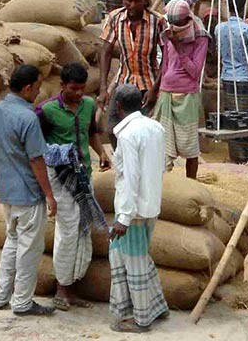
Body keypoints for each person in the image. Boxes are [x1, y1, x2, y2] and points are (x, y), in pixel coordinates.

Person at [0, 65, 57, 317]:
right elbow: (37, 160)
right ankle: (23, 301)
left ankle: (1, 295)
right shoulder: (28, 118)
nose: (38, 92)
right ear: (27, 88)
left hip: (8, 194)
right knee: (29, 249)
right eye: (36, 87)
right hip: (28, 194)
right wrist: (49, 194)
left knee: (12, 242)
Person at [36, 63, 107, 311]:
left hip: (84, 174)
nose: (78, 93)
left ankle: (73, 286)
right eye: (73, 89)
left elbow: (92, 132)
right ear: (62, 86)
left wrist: (102, 153)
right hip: (60, 176)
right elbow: (36, 148)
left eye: (82, 89)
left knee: (83, 228)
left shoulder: (88, 105)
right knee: (67, 229)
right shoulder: (47, 111)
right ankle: (61, 288)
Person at [109, 84, 169, 333]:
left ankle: (141, 319)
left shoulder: (127, 134)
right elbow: (162, 166)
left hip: (132, 211)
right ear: (142, 103)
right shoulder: (156, 127)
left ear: (119, 107)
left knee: (134, 264)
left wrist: (124, 216)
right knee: (136, 258)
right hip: (150, 205)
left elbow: (130, 177)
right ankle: (157, 306)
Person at [99, 0, 166, 143]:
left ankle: (140, 166)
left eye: (137, 1)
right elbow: (106, 52)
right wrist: (103, 88)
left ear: (145, 0)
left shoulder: (157, 21)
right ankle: (124, 165)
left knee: (144, 133)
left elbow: (167, 57)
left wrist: (155, 89)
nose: (133, 5)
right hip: (123, 82)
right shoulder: (115, 18)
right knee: (113, 129)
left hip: (148, 84)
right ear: (123, 0)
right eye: (129, 1)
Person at [151, 0, 208, 179]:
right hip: (167, 93)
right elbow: (166, 63)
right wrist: (158, 89)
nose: (174, 27)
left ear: (186, 20)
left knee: (189, 147)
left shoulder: (200, 36)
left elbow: (194, 72)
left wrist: (178, 46)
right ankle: (162, 185)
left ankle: (191, 185)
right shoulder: (169, 32)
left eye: (177, 23)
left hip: (187, 96)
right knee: (163, 146)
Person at [214, 0, 248, 163]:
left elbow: (219, 51)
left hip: (227, 77)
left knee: (231, 117)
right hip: (243, 77)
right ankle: (245, 157)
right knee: (244, 117)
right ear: (244, 8)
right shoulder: (247, 29)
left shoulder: (219, 28)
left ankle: (235, 155)